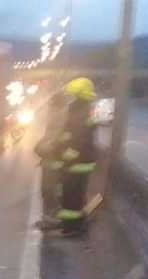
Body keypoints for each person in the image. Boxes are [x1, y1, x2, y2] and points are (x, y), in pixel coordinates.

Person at [53, 78, 98, 235]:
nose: (71, 97)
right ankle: (69, 223)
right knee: (71, 195)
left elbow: (79, 137)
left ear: (80, 95)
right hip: (76, 161)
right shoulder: (80, 109)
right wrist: (59, 146)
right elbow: (69, 133)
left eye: (74, 95)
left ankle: (73, 227)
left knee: (73, 197)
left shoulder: (82, 111)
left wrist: (66, 154)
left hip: (78, 161)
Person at [34, 93, 69, 229]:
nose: (49, 108)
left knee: (50, 192)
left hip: (54, 163)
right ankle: (49, 219)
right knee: (48, 192)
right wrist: (39, 146)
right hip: (50, 162)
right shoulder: (56, 117)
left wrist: (42, 148)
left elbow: (56, 141)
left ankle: (53, 221)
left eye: (51, 105)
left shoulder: (60, 118)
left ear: (56, 105)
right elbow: (48, 137)